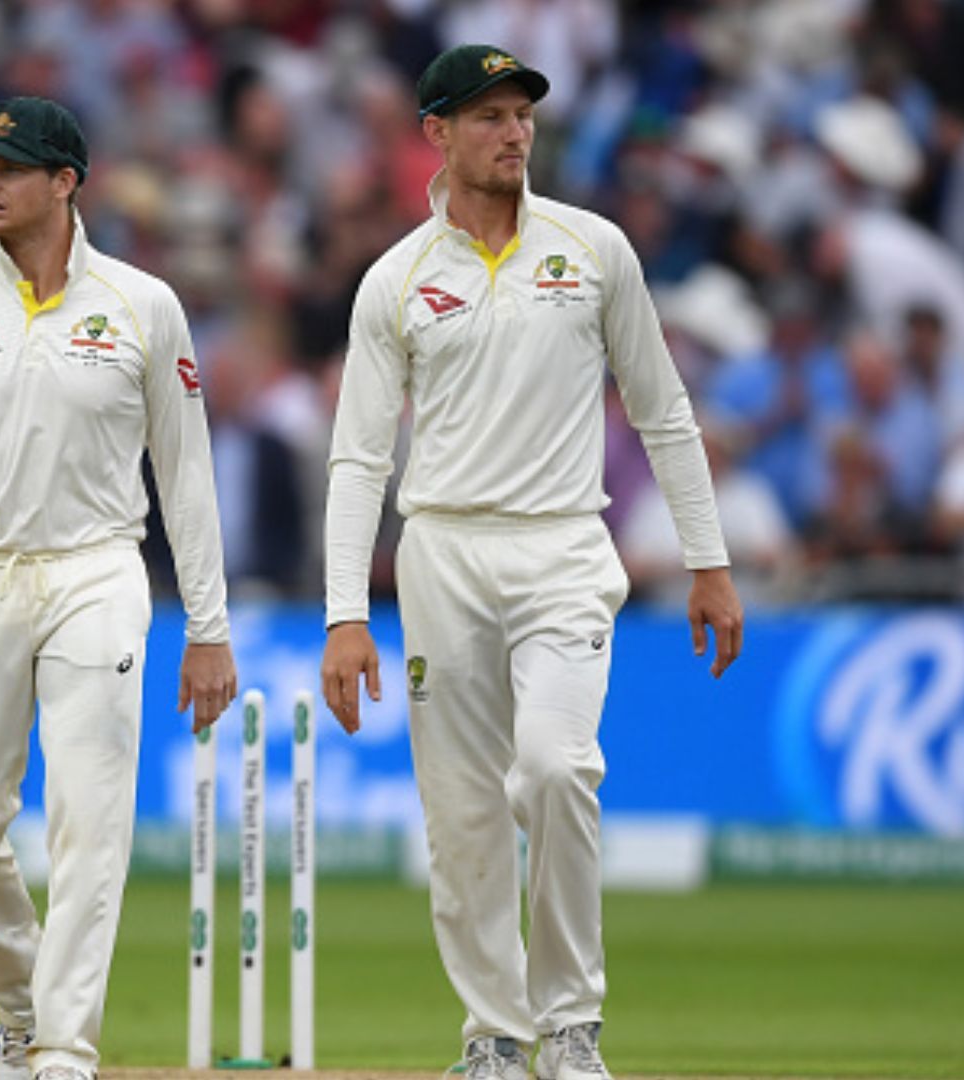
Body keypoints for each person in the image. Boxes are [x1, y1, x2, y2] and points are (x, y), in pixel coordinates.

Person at [318, 47, 744, 1080]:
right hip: (443, 553)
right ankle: (495, 1038)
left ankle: (570, 1028)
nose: (514, 134)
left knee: (556, 769)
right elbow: (360, 456)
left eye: (522, 116)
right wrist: (343, 613)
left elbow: (663, 409)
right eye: (489, 117)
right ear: (437, 133)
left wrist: (709, 559)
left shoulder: (594, 250)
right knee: (463, 810)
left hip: (564, 547)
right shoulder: (397, 280)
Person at [0, 96, 236, 1080]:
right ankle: (25, 1009)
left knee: (89, 816)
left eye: (11, 168)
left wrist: (209, 626)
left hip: (96, 572)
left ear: (66, 182)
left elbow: (186, 475)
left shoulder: (143, 304)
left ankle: (66, 1048)